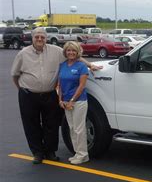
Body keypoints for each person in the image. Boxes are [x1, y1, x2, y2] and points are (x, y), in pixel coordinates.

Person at [11, 27, 101, 164]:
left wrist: (90, 65)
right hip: (28, 95)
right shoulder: (23, 54)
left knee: (51, 124)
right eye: (37, 37)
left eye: (42, 37)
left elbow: (74, 55)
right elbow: (15, 75)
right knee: (31, 125)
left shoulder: (56, 51)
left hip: (49, 94)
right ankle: (37, 153)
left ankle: (50, 151)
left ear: (46, 38)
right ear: (32, 38)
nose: (40, 39)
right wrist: (22, 89)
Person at [58, 42, 89, 165]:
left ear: (77, 53)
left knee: (79, 129)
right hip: (66, 101)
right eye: (68, 50)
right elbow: (59, 84)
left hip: (79, 101)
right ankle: (77, 153)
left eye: (73, 51)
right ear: (65, 52)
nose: (71, 53)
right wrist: (60, 100)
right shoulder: (63, 65)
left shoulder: (81, 66)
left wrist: (72, 101)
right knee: (71, 128)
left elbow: (81, 86)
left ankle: (83, 154)